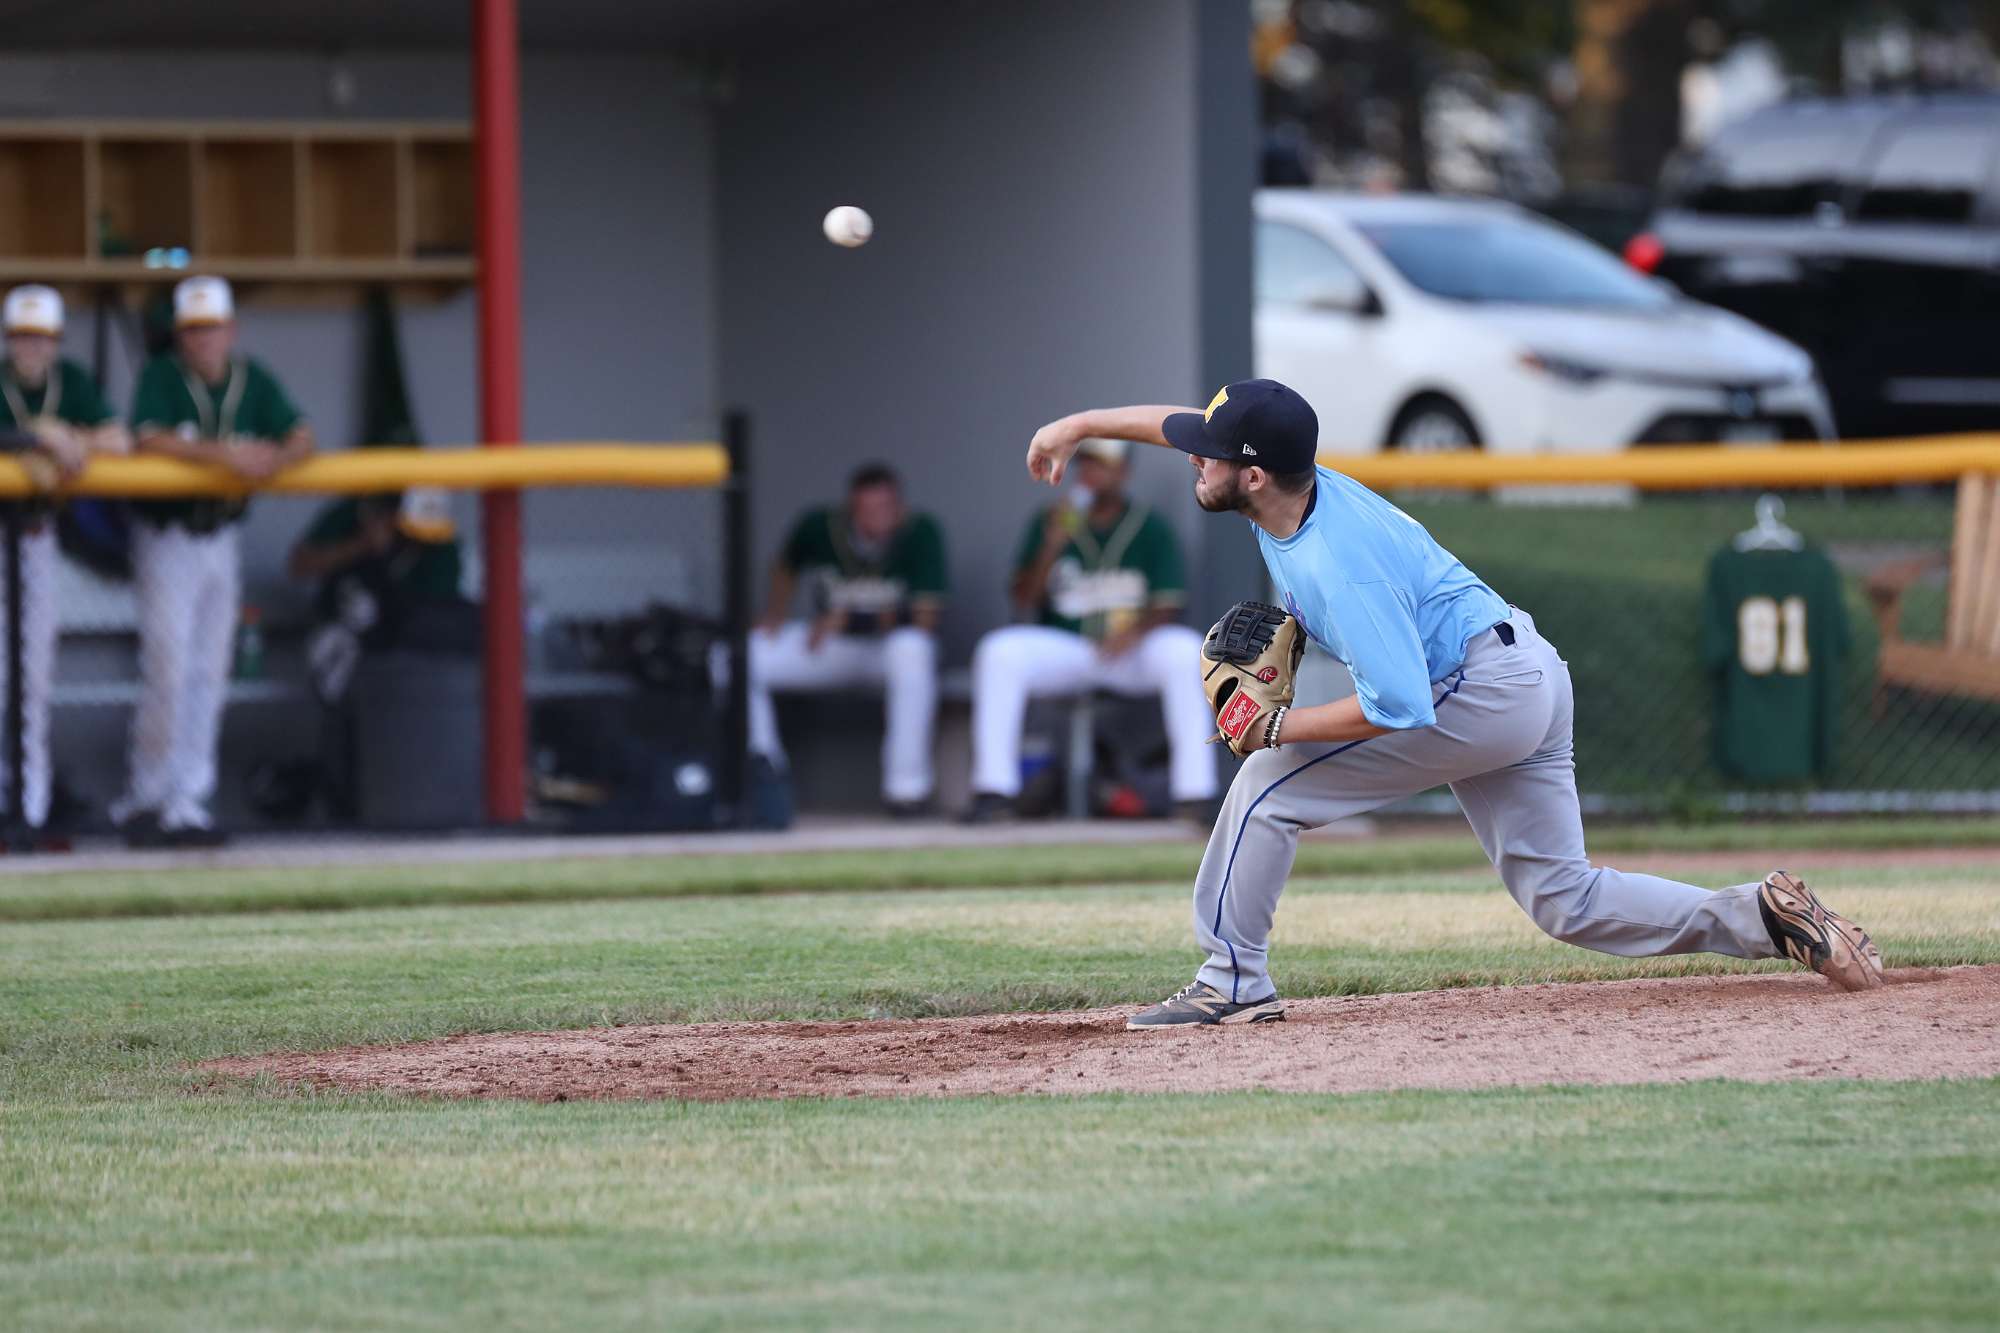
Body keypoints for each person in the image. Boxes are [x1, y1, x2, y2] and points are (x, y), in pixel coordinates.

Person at [1022, 379, 1884, 1029]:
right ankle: (1759, 914)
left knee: (1266, 787)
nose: (1193, 458)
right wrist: (1079, 423)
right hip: (1521, 669)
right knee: (1565, 898)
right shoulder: (1287, 481)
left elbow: (1399, 706)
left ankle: (1232, 979)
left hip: (1477, 690)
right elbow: (1179, 423)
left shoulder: (1337, 563)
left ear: (1252, 474)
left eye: (1210, 454)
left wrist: (1278, 726)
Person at [111, 276, 314, 846]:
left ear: (230, 330)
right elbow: (148, 438)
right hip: (169, 537)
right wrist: (223, 455)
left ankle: (189, 800)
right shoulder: (162, 376)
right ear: (179, 335)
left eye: (211, 328)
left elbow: (302, 435)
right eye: (192, 329)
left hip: (221, 538)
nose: (202, 339)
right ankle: (147, 798)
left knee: (209, 671)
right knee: (168, 669)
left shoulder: (252, 379)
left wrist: (275, 457)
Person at [963, 438, 1216, 823]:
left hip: (1129, 653)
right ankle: (993, 791)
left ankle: (1195, 795)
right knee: (999, 652)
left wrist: (1135, 632)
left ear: (1123, 473)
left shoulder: (1149, 526)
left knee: (1185, 650)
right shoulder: (1051, 521)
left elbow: (1168, 603)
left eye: (1101, 466)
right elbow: (1023, 600)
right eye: (1086, 465)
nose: (1091, 474)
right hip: (1068, 647)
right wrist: (1051, 547)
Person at [0, 285, 130, 832]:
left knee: (33, 679)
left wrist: (68, 437)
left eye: (42, 337)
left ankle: (28, 807)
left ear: (55, 341)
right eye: (23, 336)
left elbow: (119, 441)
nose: (32, 347)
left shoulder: (70, 382)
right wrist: (31, 438)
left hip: (36, 538)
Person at [750, 462, 948, 815]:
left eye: (886, 507)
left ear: (900, 507)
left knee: (914, 649)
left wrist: (851, 618)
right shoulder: (820, 526)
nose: (879, 517)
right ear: (851, 510)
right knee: (744, 654)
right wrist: (776, 613)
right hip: (831, 648)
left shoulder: (920, 532)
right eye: (869, 509)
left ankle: (907, 790)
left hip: (886, 651)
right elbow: (784, 564)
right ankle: (765, 770)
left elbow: (926, 617)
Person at [287, 487, 476, 818]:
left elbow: (435, 609)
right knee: (345, 730)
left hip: (417, 671)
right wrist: (362, 546)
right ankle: (345, 805)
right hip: (350, 653)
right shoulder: (354, 515)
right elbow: (299, 565)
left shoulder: (439, 541)